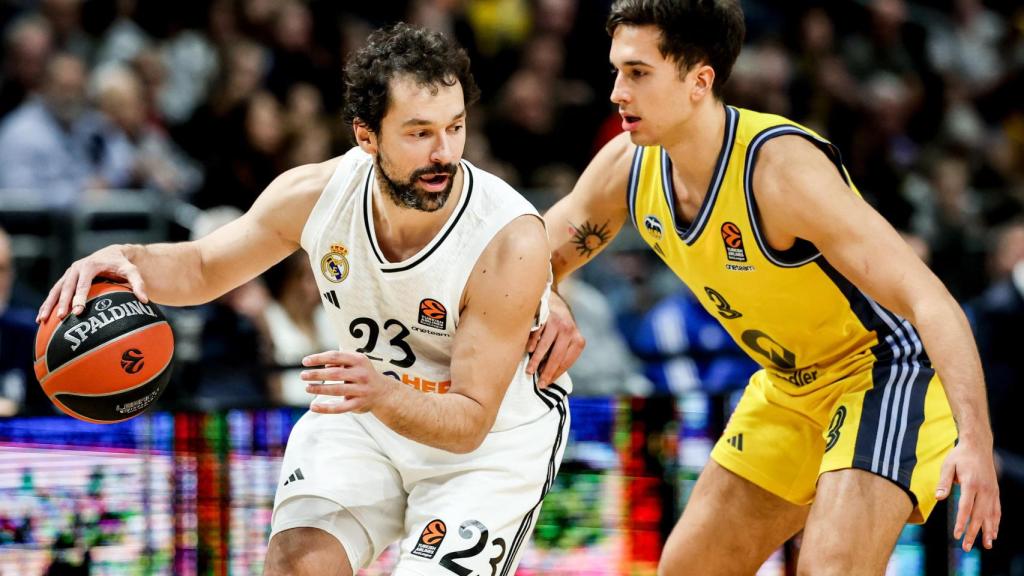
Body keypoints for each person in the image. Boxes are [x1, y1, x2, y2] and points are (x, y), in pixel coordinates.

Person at [37, 23, 570, 576]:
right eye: (419, 133)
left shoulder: (505, 238)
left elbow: (469, 421)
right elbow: (202, 268)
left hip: (484, 448)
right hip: (366, 410)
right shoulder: (315, 195)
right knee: (297, 564)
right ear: (367, 135)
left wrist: (383, 394)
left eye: (454, 128)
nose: (444, 152)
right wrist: (127, 259)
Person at [530, 1, 1000, 574]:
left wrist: (976, 443)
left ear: (699, 80)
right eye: (616, 72)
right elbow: (530, 255)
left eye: (638, 73)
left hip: (882, 372)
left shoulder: (779, 170)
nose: (617, 93)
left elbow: (933, 301)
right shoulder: (627, 165)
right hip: (789, 386)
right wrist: (549, 293)